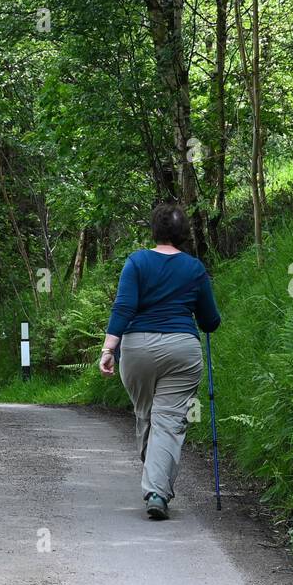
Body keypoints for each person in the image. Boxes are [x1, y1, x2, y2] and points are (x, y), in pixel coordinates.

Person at [99, 203, 221, 520]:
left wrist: (108, 349)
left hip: (137, 350)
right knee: (166, 423)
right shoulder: (194, 269)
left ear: (154, 231)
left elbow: (123, 307)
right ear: (183, 234)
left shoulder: (137, 262)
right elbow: (210, 320)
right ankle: (156, 489)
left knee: (147, 416)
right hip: (182, 350)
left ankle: (156, 490)